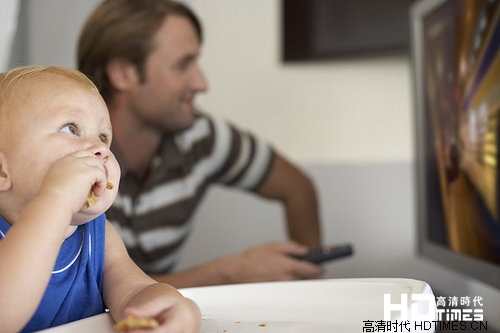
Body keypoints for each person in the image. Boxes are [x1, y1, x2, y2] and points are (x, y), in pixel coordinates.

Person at [77, 0, 324, 288]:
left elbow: (298, 188)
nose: (201, 83)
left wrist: (309, 291)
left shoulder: (200, 136)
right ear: (123, 73)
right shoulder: (67, 155)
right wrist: (226, 274)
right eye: (184, 64)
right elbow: (87, 294)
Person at [0, 65, 201, 333]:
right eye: (71, 129)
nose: (100, 150)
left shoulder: (99, 236)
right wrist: (56, 199)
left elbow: (135, 293)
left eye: (104, 137)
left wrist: (172, 306)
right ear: (2, 171)